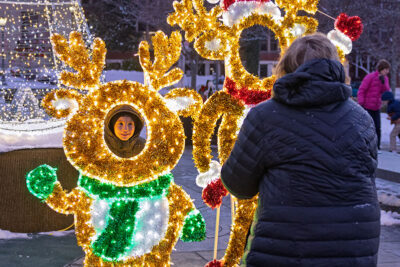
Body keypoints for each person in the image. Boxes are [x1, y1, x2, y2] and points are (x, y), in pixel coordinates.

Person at [221, 33, 380, 266]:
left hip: (285, 249)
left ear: (286, 67)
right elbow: (367, 178)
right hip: (354, 249)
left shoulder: (266, 117)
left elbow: (237, 184)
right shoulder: (362, 119)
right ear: (336, 67)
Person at [357, 59, 391, 151]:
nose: (387, 72)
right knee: (367, 127)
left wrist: (383, 82)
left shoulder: (385, 78)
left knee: (378, 127)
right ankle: (366, 146)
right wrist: (361, 103)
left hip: (376, 107)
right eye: (386, 69)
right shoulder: (370, 77)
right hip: (367, 106)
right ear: (381, 68)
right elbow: (362, 90)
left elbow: (386, 91)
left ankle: (377, 147)